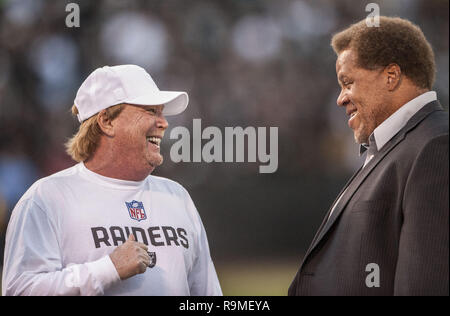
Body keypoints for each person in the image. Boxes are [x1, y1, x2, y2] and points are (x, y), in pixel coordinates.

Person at [2, 64, 222, 296]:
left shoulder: (177, 196)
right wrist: (107, 270)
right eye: (150, 111)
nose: (164, 123)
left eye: (161, 112)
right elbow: (20, 290)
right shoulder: (48, 197)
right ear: (106, 121)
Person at [289, 16, 448, 296]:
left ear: (391, 76)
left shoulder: (436, 146)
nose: (341, 98)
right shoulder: (393, 148)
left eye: (348, 82)